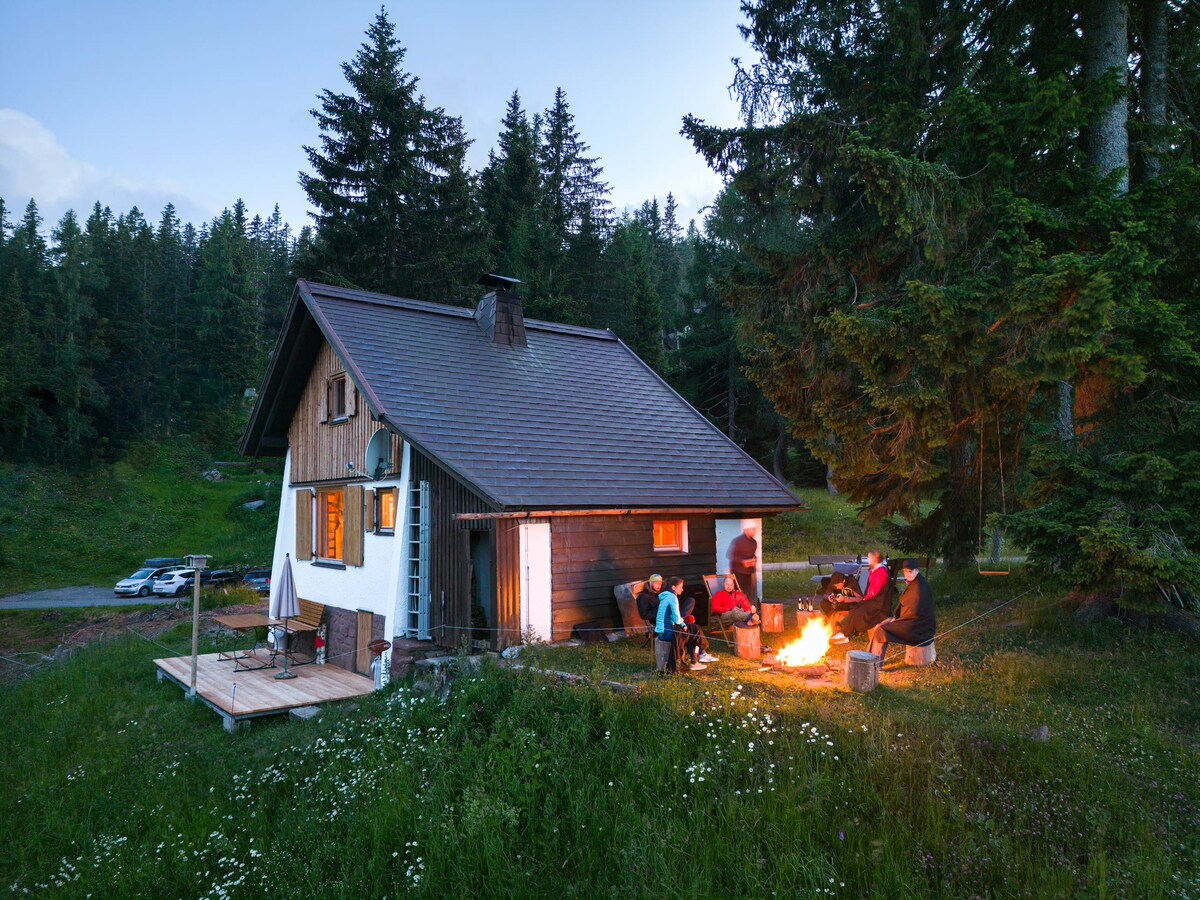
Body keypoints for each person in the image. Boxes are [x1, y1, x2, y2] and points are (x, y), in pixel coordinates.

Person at [868, 559, 935, 667]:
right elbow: (907, 605)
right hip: (912, 621)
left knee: (881, 630)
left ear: (917, 570)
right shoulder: (916, 581)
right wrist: (894, 618)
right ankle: (869, 659)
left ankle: (875, 665)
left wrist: (895, 621)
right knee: (878, 626)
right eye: (905, 571)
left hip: (918, 628)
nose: (907, 574)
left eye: (910, 571)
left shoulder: (919, 587)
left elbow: (914, 612)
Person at [830, 552, 896, 643]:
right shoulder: (875, 569)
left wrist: (865, 599)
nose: (867, 559)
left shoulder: (881, 571)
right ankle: (844, 633)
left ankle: (847, 635)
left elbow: (875, 590)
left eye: (869, 557)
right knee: (854, 610)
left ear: (875, 559)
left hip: (879, 602)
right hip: (873, 599)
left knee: (859, 612)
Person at [655, 576, 687, 675]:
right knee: (688, 635)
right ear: (673, 587)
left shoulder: (665, 596)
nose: (682, 589)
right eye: (680, 587)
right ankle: (678, 665)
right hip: (668, 630)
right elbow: (676, 618)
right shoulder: (672, 597)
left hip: (661, 630)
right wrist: (683, 624)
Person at [678, 595, 718, 668]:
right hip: (672, 623)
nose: (682, 589)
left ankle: (698, 656)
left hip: (677, 617)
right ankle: (701, 653)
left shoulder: (669, 595)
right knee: (695, 630)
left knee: (691, 600)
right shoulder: (668, 597)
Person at [727, 525, 759, 603]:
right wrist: (742, 561)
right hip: (738, 571)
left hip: (749, 571)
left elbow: (753, 554)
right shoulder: (738, 541)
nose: (754, 531)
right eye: (752, 529)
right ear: (746, 530)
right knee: (738, 590)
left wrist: (754, 559)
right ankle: (737, 606)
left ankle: (746, 606)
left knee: (748, 591)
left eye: (754, 529)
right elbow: (730, 555)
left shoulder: (754, 542)